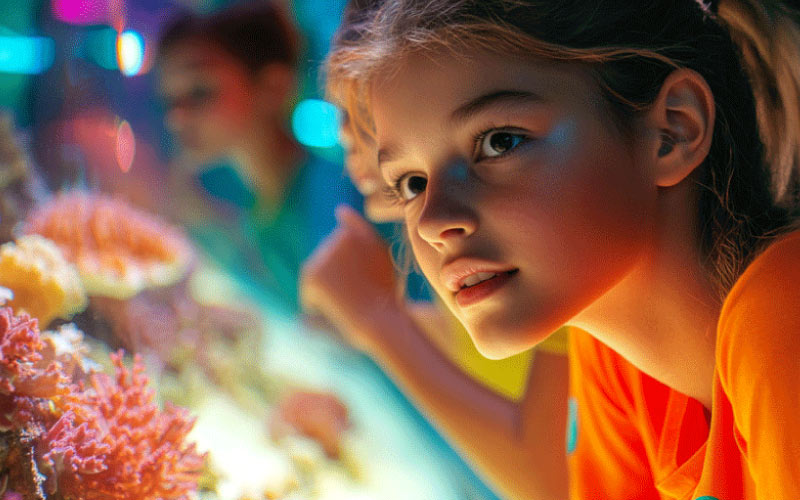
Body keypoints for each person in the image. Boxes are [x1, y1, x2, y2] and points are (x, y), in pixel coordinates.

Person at [320, 0, 800, 498]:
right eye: (414, 183)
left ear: (672, 131)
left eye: (500, 141)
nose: (436, 222)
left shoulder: (783, 313)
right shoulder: (613, 356)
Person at [300, 2, 569, 498]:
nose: (341, 134)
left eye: (350, 109)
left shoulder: (564, 262)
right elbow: (499, 360)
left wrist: (379, 320)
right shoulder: (451, 244)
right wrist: (379, 318)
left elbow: (548, 480)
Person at [156, 2, 361, 317]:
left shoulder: (340, 200)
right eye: (169, 98)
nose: (176, 116)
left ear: (273, 86)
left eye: (199, 90)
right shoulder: (255, 200)